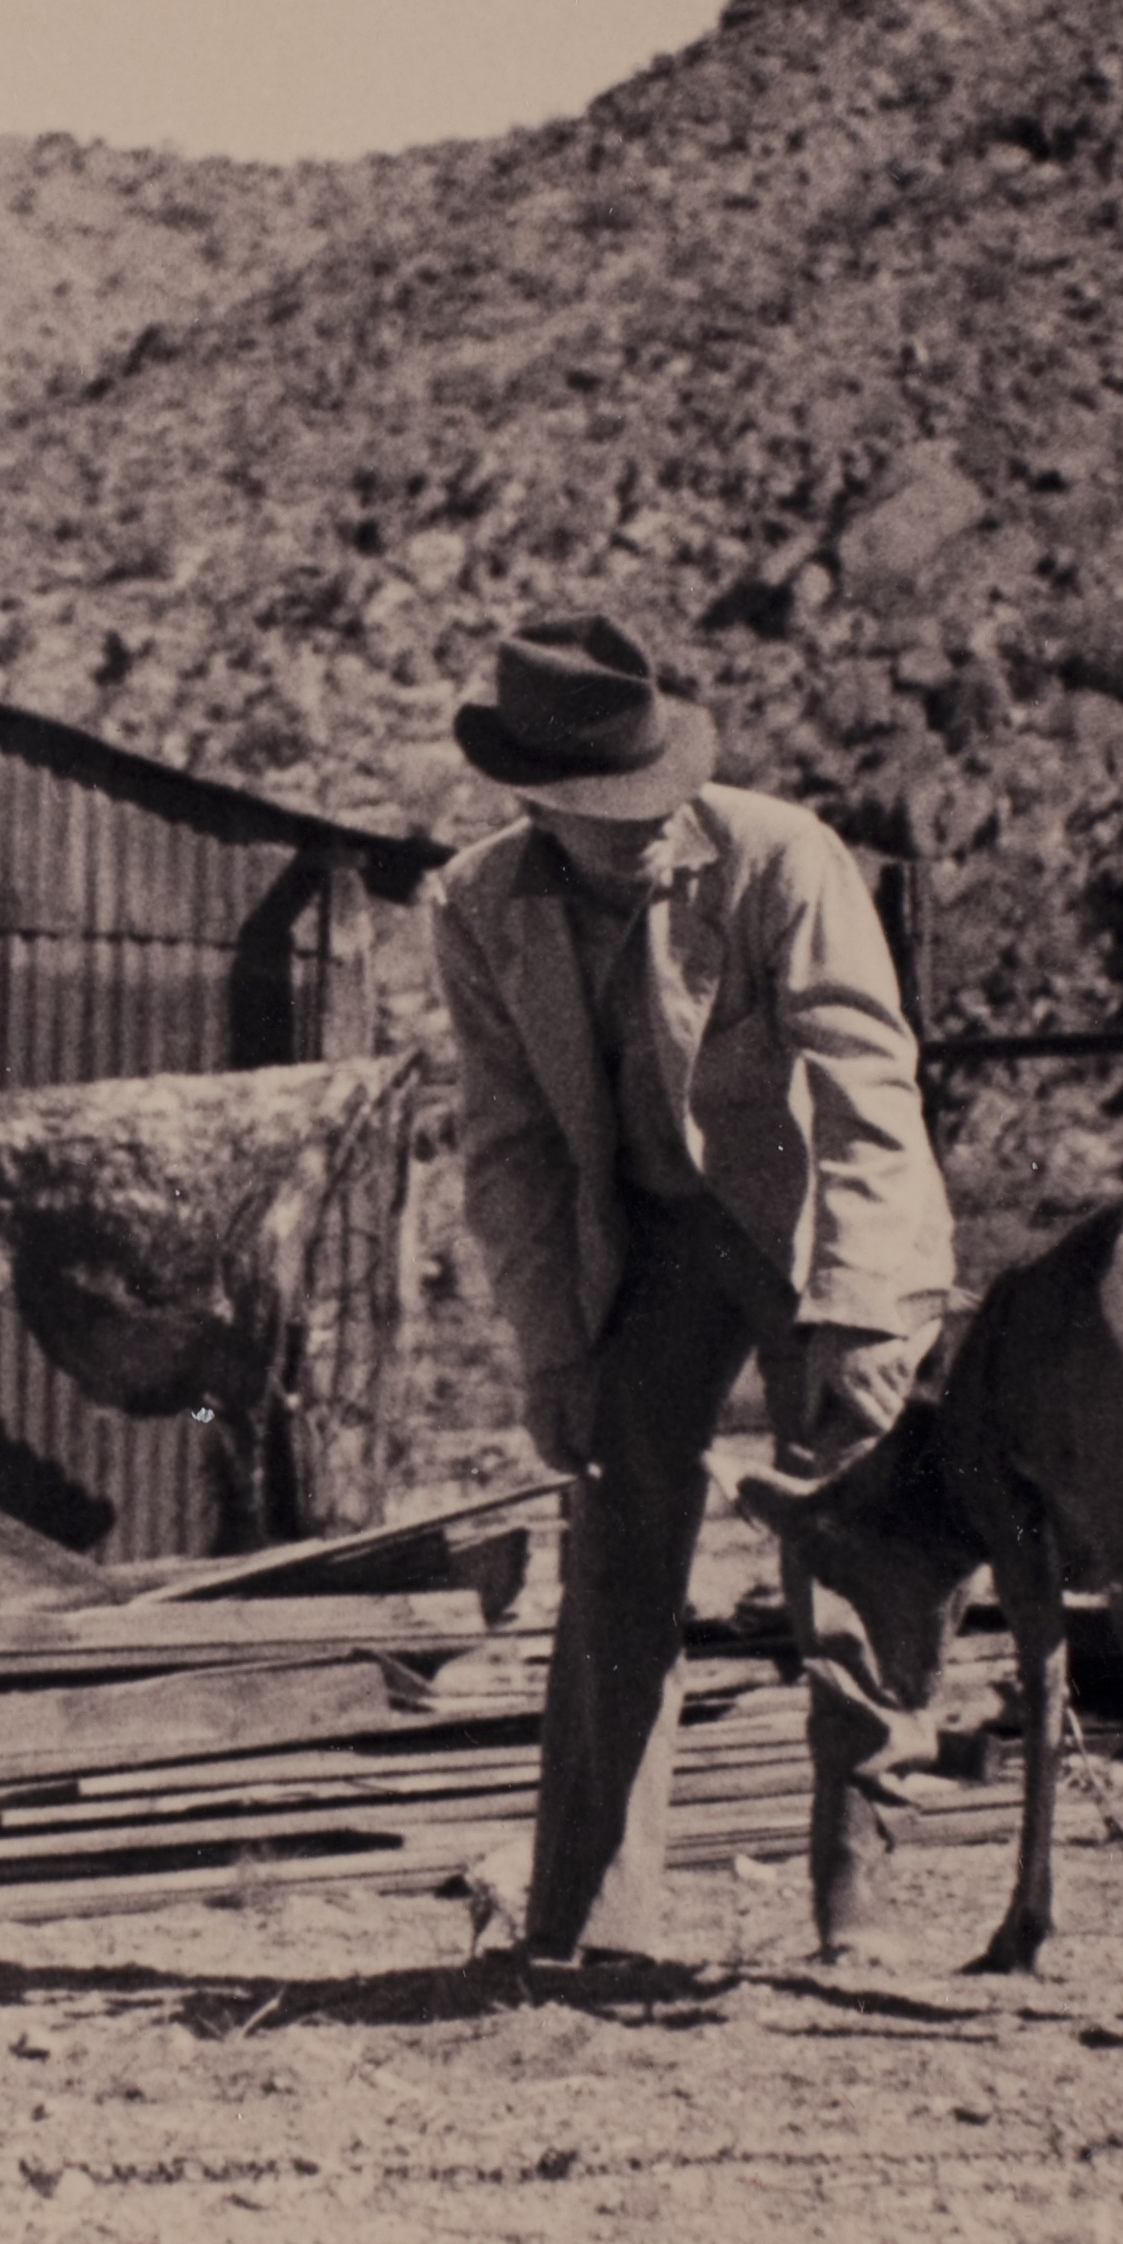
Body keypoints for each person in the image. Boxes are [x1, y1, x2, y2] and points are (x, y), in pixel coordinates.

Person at [432, 612, 956, 1965]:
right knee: (614, 1545)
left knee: (846, 1542)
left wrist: (864, 1309)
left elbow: (865, 1091)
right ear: (537, 803)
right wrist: (555, 1360)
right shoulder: (480, 907)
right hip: (650, 1249)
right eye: (611, 813)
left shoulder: (783, 860)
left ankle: (863, 1907)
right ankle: (595, 1927)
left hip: (811, 1240)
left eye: (658, 794)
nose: (645, 828)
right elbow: (511, 1148)